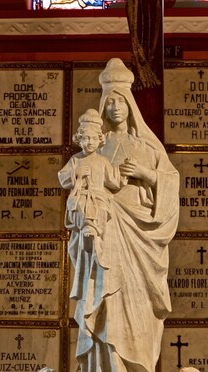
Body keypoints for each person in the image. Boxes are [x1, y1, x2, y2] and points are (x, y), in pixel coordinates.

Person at [66, 58, 180, 372]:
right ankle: (105, 365)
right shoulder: (95, 149)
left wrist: (149, 175)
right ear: (103, 106)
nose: (116, 107)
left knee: (139, 307)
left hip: (141, 240)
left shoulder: (148, 148)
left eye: (121, 101)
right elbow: (79, 187)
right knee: (105, 302)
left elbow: (170, 182)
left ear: (130, 105)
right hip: (104, 239)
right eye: (110, 101)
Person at [59, 109, 124, 270]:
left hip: (99, 196)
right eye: (86, 138)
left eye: (94, 138)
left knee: (101, 208)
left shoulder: (102, 161)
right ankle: (88, 228)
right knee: (80, 205)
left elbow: (113, 182)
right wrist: (77, 174)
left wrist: (123, 175)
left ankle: (97, 241)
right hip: (81, 193)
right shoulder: (76, 159)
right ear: (79, 140)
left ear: (99, 140)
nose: (90, 142)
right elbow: (63, 177)